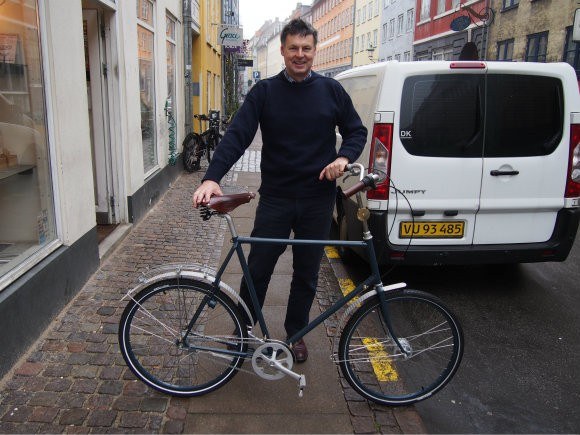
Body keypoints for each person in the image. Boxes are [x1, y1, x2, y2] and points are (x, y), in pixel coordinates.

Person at [193, 18, 367, 362]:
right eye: (293, 49)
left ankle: (296, 333)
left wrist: (344, 158)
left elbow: (356, 131)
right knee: (258, 268)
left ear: (314, 51)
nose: (299, 55)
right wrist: (212, 177)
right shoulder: (265, 92)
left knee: (306, 273)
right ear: (284, 50)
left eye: (306, 48)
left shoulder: (331, 91)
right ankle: (242, 329)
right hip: (276, 198)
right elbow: (237, 136)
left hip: (318, 201)